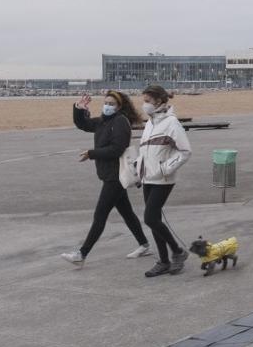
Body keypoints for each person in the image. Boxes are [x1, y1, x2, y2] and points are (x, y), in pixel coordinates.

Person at [62, 91, 152, 267]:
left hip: (116, 176)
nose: (107, 106)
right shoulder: (104, 121)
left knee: (100, 215)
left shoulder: (120, 122)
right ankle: (144, 244)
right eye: (106, 103)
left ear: (119, 106)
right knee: (127, 213)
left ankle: (82, 254)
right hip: (109, 174)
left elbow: (117, 149)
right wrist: (79, 108)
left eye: (111, 104)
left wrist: (91, 153)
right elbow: (83, 124)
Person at [137, 85, 193, 277]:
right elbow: (145, 151)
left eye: (147, 101)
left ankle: (177, 251)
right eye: (144, 101)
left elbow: (185, 151)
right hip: (148, 178)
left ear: (159, 101)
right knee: (154, 221)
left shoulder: (171, 123)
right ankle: (163, 261)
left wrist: (164, 169)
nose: (144, 105)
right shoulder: (150, 123)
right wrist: (139, 170)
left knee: (150, 218)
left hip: (163, 179)